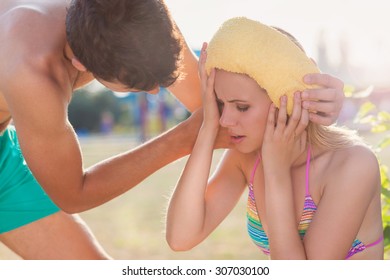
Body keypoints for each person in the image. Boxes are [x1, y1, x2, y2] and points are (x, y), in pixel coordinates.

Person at [0, 1, 344, 260]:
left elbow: (210, 100)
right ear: (81, 64)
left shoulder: (132, 14)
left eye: (162, 79)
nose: (155, 92)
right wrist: (182, 138)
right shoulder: (32, 72)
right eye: (138, 86)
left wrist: (312, 92)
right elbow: (73, 194)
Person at [165, 17, 384, 259]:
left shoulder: (352, 165)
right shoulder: (245, 156)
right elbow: (180, 237)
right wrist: (207, 126)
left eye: (242, 107)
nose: (225, 120)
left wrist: (276, 174)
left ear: (287, 98)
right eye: (220, 103)